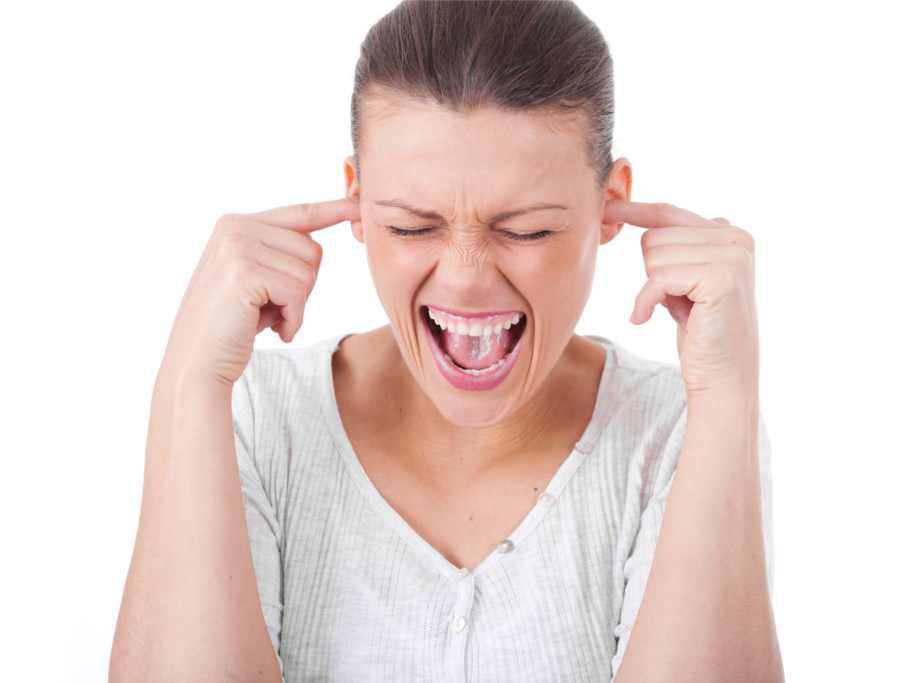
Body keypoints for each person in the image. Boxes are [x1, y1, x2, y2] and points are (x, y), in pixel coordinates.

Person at [109, 1, 783, 681]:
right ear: (357, 201)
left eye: (526, 230)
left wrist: (728, 397)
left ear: (610, 206)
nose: (464, 279)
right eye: (411, 225)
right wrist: (189, 380)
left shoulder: (681, 431)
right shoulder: (255, 419)